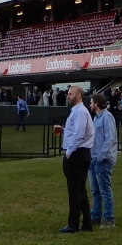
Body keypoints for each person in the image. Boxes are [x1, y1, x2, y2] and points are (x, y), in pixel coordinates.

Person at [53, 85, 94, 233]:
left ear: (78, 96)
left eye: (70, 94)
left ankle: (73, 224)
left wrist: (69, 151)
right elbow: (76, 132)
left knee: (74, 191)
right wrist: (64, 130)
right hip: (79, 152)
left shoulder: (80, 112)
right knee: (80, 189)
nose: (68, 96)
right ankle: (86, 222)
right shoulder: (79, 112)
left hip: (77, 154)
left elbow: (79, 134)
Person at [88, 93, 117, 228]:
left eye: (91, 102)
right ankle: (95, 216)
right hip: (94, 158)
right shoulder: (96, 118)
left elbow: (109, 138)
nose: (90, 105)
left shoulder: (107, 117)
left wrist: (101, 156)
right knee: (95, 191)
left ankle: (108, 219)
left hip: (103, 159)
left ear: (97, 104)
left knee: (105, 190)